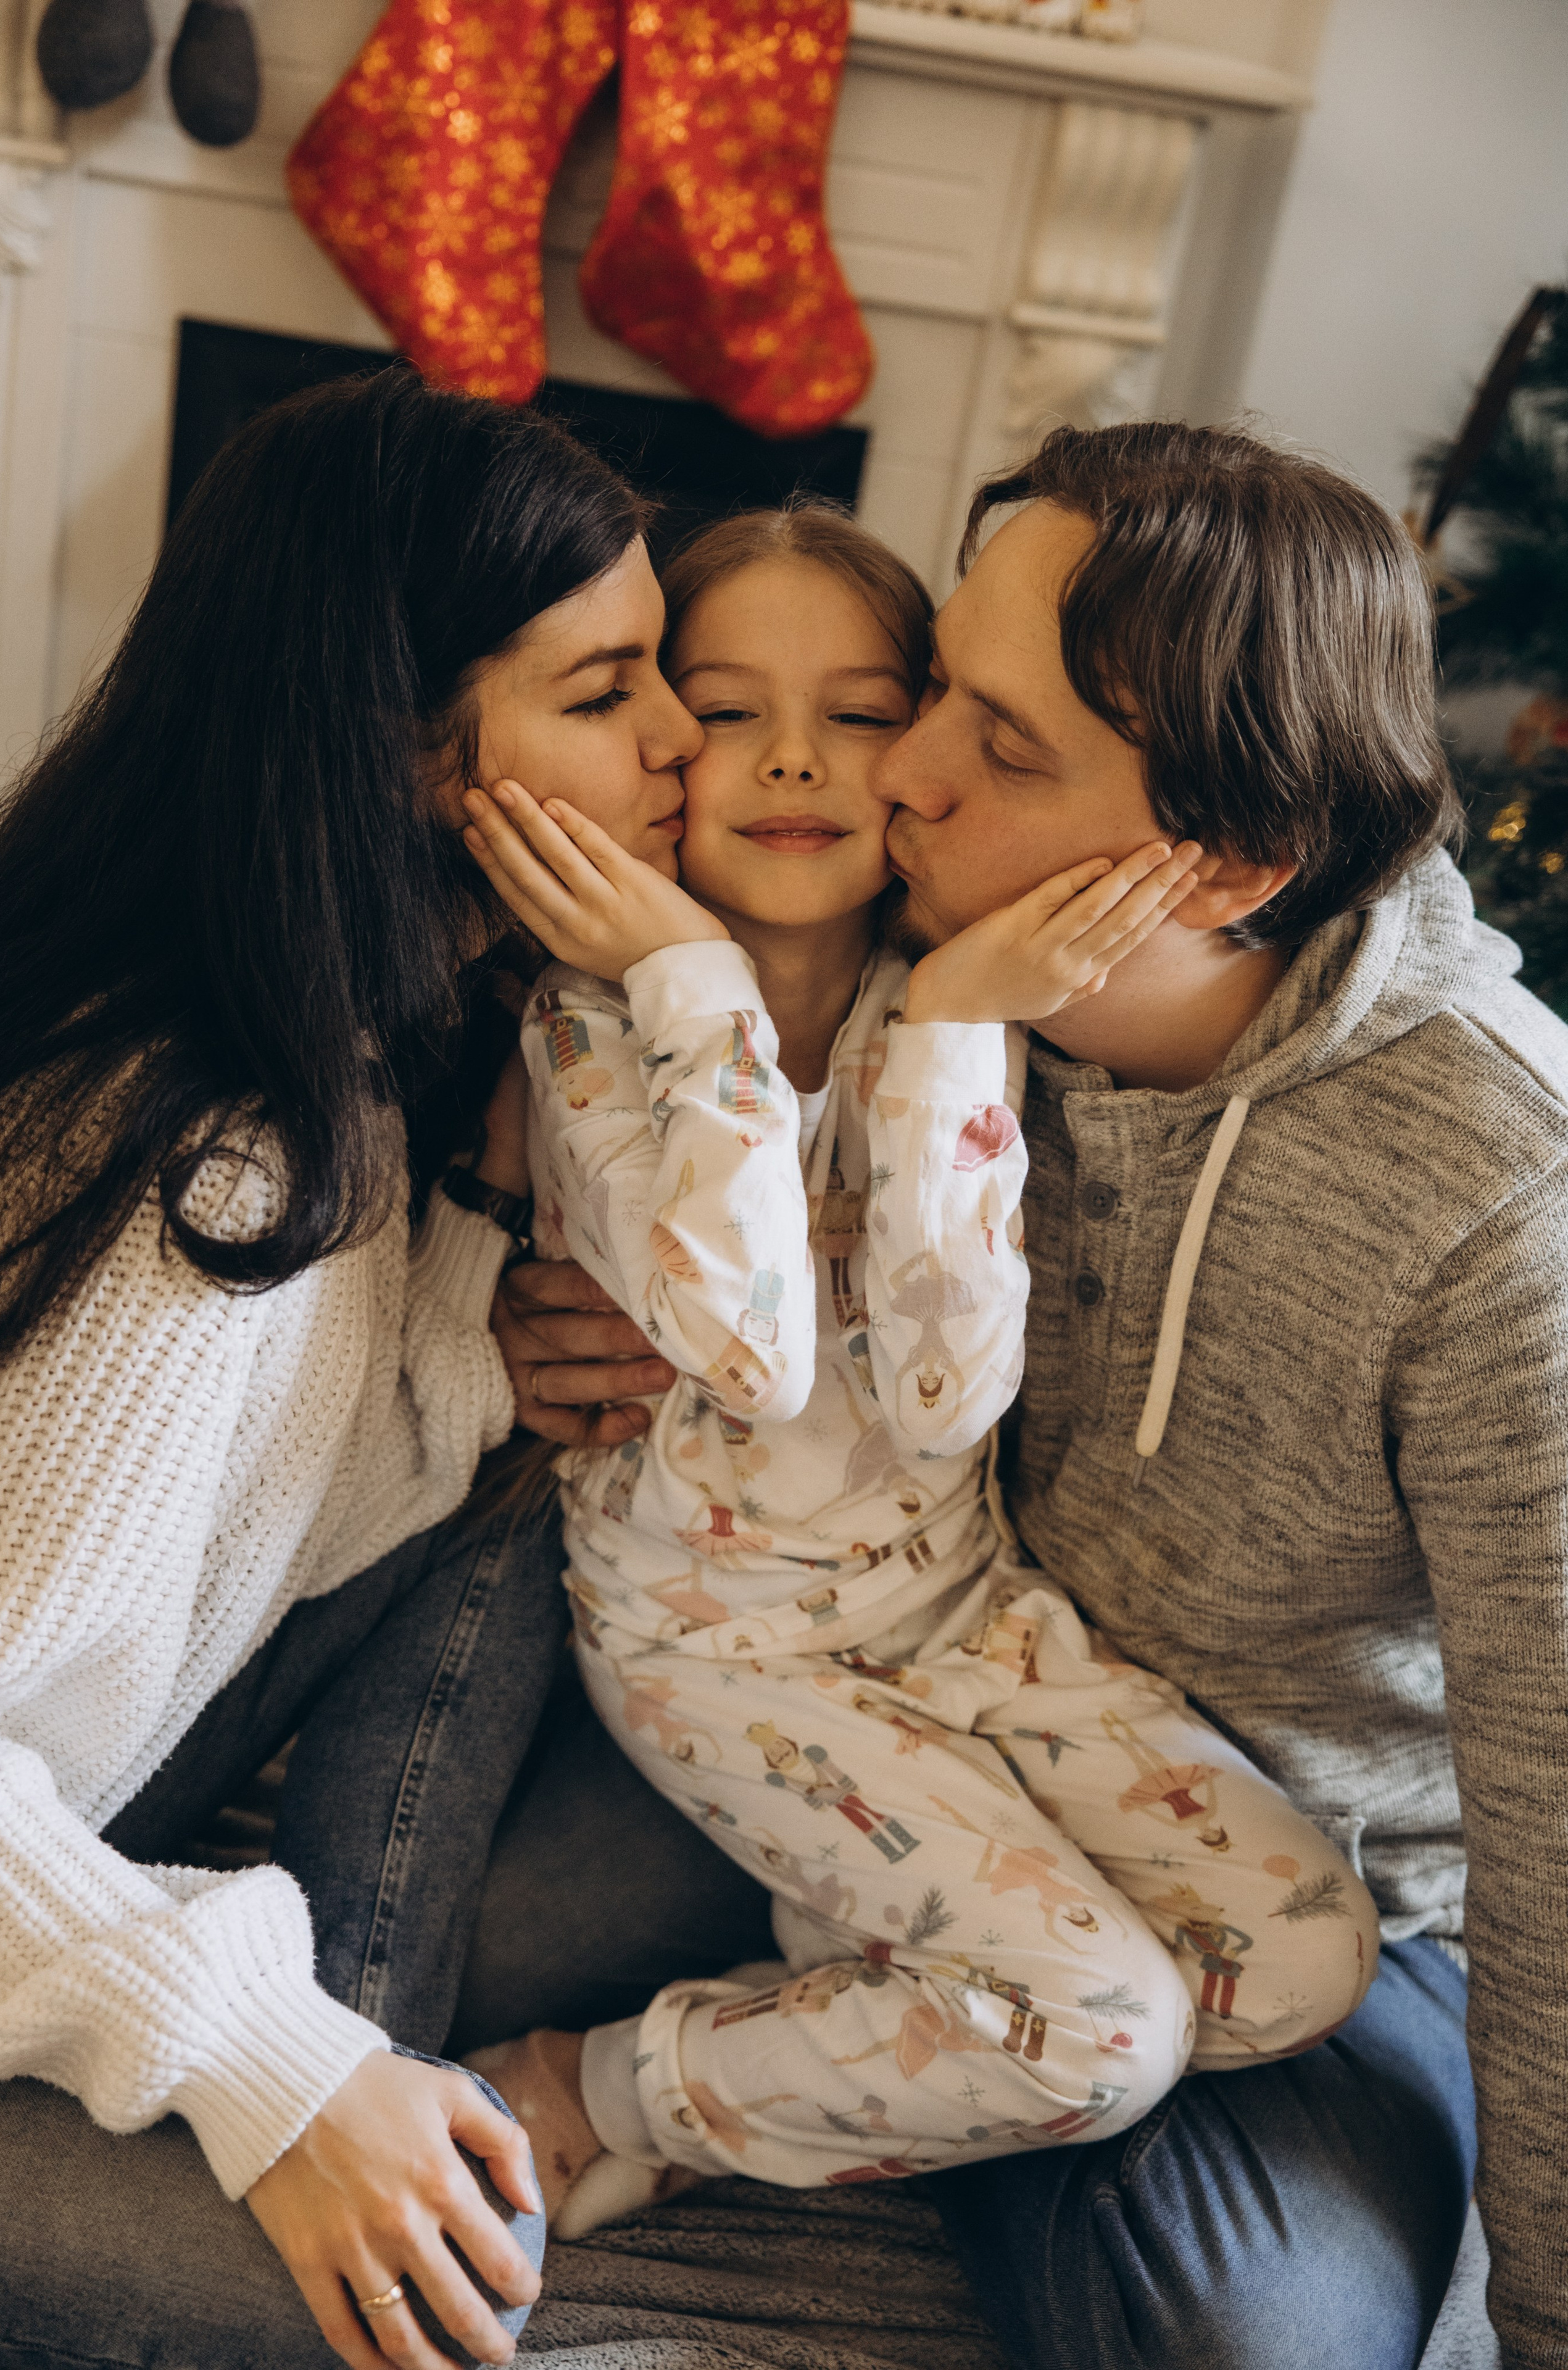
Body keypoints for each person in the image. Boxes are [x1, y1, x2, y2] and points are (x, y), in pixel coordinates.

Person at [481, 421, 1568, 2370]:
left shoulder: (1502, 1206)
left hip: (1237, 1807)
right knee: (447, 1958)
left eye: (987, 737)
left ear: (1223, 866)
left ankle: (931, 2060)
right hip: (781, 1661)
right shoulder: (867, 940)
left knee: (1227, 2297)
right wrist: (498, 1314)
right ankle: (916, 2047)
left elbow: (1559, 1812)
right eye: (937, 691)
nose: (886, 772)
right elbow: (677, 1236)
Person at [0, 367, 705, 2370]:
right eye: (608, 692)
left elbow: (245, 1517)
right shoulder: (195, 1160)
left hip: (108, 1814)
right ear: (400, 752)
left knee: (685, 1857)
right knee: (415, 2305)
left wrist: (477, 1321)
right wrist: (271, 2068)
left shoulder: (333, 1055)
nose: (685, 740)